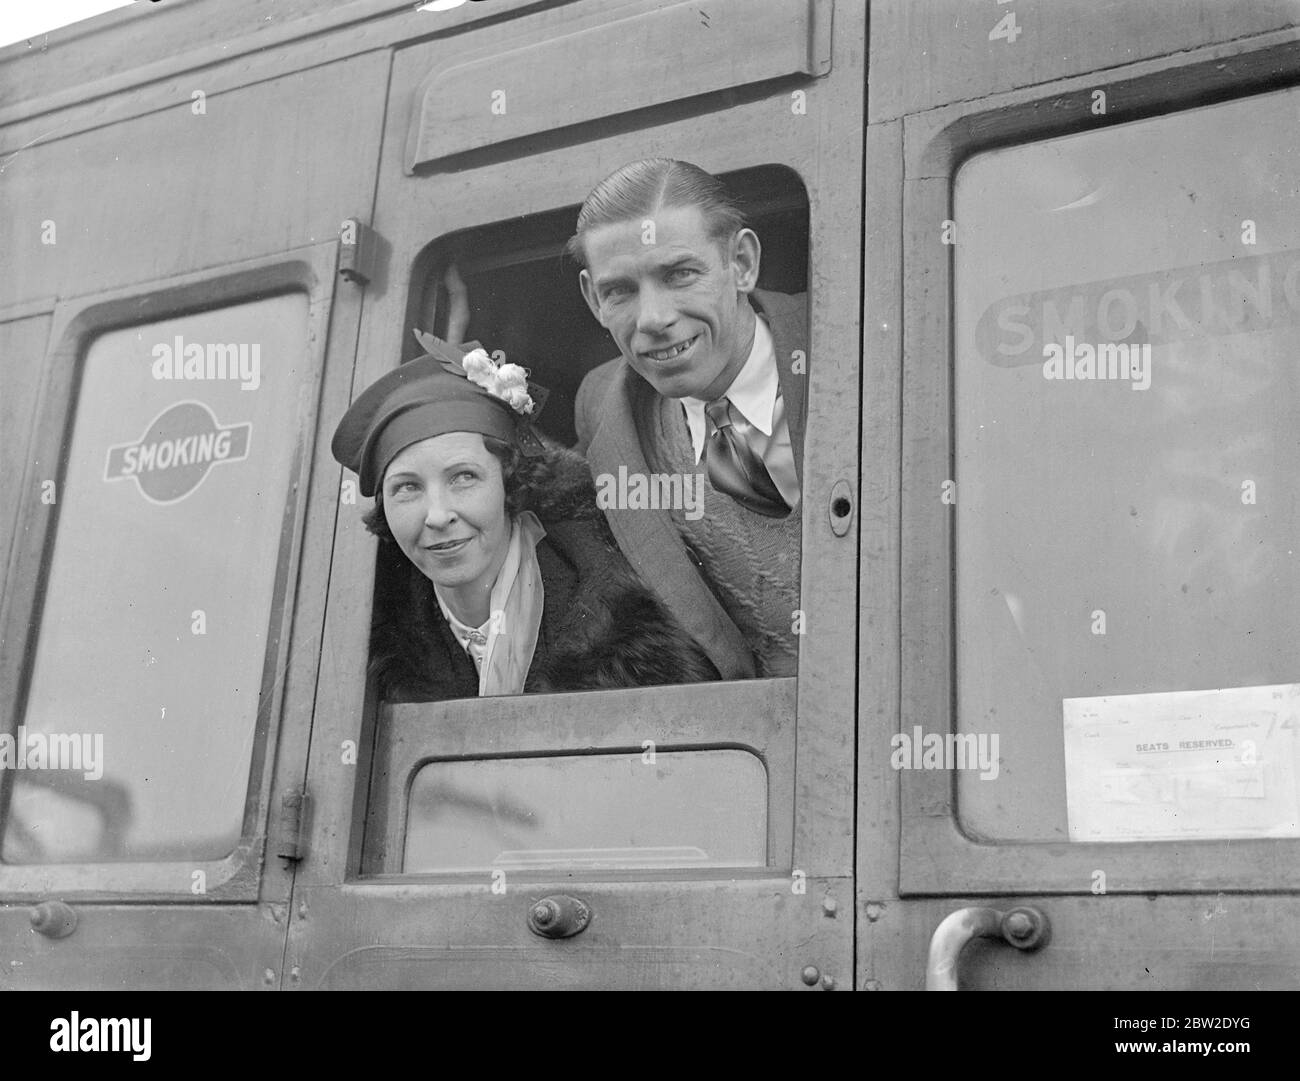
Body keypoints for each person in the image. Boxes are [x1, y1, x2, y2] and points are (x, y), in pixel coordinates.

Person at [331, 334, 718, 701]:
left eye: (464, 478)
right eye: (407, 488)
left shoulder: (613, 613)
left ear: (509, 482)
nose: (437, 516)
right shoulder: (372, 637)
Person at [571, 159, 807, 680]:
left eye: (679, 274)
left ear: (741, 263)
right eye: (620, 291)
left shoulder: (851, 338)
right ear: (593, 298)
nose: (653, 319)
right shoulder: (602, 409)